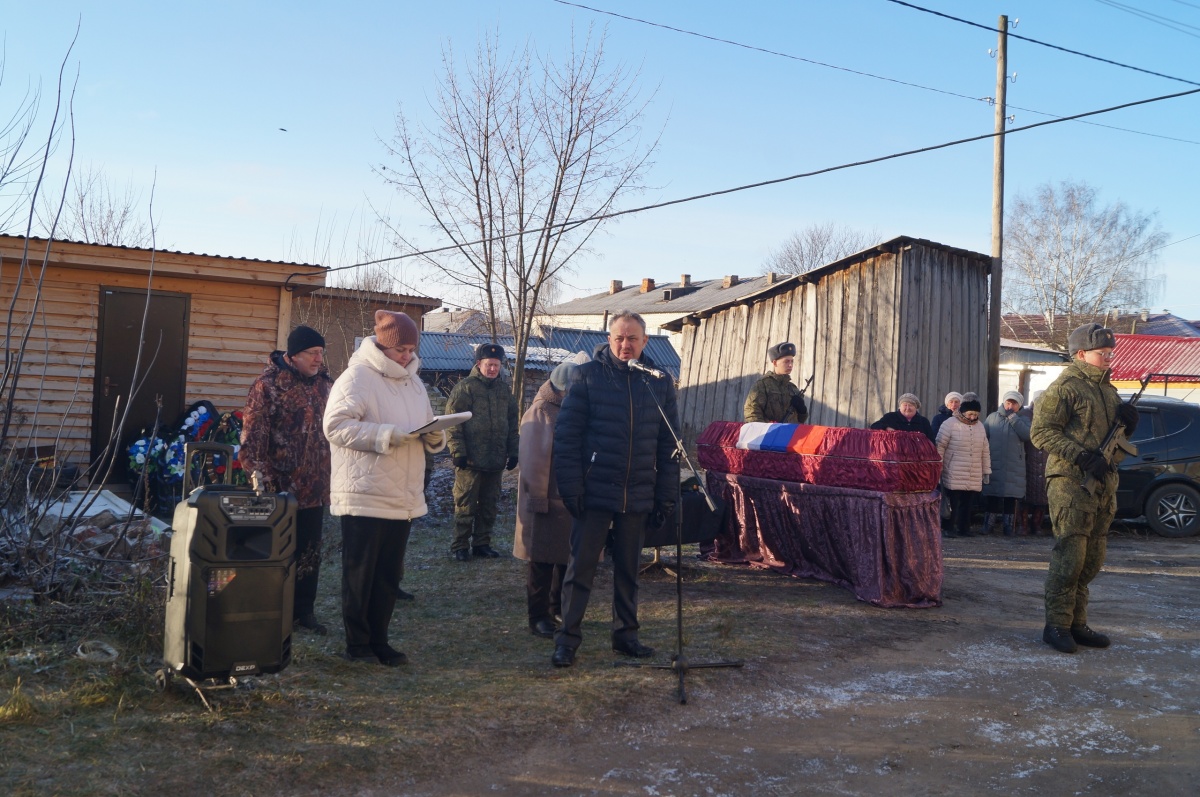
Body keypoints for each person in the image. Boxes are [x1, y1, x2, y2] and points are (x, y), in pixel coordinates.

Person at [550, 311, 680, 668]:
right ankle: (568, 640)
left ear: (645, 342)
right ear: (609, 339)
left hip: (637, 491)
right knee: (581, 570)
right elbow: (567, 438)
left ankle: (626, 636)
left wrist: (665, 494)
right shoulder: (587, 376)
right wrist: (572, 487)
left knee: (628, 570)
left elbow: (669, 444)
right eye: (619, 338)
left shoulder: (658, 382)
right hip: (594, 491)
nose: (625, 345)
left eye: (632, 339)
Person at [323, 310, 446, 665]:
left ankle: (380, 640)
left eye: (411, 349)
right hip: (364, 492)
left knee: (389, 574)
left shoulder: (414, 382)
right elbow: (335, 426)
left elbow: (422, 424)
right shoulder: (357, 377)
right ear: (382, 344)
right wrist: (385, 434)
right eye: (400, 349)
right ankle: (357, 645)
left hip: (402, 493)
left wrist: (433, 433)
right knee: (360, 574)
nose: (407, 356)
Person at [1030, 323, 1139, 654]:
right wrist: (1081, 455)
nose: (1109, 358)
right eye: (1102, 353)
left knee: (1092, 559)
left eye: (1110, 353)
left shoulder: (1108, 391)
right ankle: (1057, 626)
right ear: (1081, 354)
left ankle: (1077, 624)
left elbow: (1115, 442)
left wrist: (1128, 425)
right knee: (1070, 558)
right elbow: (1042, 432)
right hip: (1071, 482)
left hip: (1104, 484)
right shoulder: (1065, 388)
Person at [240, 324, 333, 635]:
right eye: (313, 353)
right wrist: (260, 479)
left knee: (310, 552)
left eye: (321, 352)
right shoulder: (267, 386)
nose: (319, 359)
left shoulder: (325, 385)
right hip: (279, 488)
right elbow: (252, 439)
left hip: (315, 486)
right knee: (276, 553)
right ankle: (270, 611)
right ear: (294, 356)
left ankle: (303, 612)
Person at [514, 354, 589, 638]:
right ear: (561, 387)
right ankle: (538, 616)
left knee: (564, 557)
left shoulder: (572, 409)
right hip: (545, 498)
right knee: (541, 561)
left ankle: (557, 607)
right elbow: (532, 460)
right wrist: (537, 498)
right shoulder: (541, 411)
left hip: (567, 496)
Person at [445, 343, 520, 561]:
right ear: (479, 364)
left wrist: (514, 452)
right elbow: (452, 422)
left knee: (489, 506)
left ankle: (482, 544)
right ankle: (460, 546)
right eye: (489, 365)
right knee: (465, 505)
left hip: (495, 459)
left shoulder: (504, 391)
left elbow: (512, 423)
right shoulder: (465, 388)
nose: (493, 369)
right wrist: (457, 451)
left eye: (496, 365)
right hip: (470, 460)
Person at [936, 397, 990, 537]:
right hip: (953, 468)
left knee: (968, 502)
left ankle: (964, 528)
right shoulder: (950, 424)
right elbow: (940, 446)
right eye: (970, 414)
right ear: (963, 412)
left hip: (973, 470)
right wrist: (938, 467)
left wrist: (986, 470)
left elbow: (985, 450)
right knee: (952, 502)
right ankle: (948, 528)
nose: (972, 417)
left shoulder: (980, 426)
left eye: (975, 414)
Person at [981, 390, 1032, 536]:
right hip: (994, 461)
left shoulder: (1023, 419)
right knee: (993, 495)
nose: (1010, 405)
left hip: (1014, 464)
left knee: (1011, 497)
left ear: (1019, 405)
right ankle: (988, 525)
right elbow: (984, 437)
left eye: (1014, 403)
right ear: (1003, 402)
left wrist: (1013, 418)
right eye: (1008, 402)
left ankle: (1008, 526)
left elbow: (1026, 435)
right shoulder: (992, 417)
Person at [743, 342, 808, 423]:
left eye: (792, 361)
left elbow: (801, 420)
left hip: (790, 434)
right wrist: (766, 431)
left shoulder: (793, 389)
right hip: (770, 433)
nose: (790, 365)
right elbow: (752, 413)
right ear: (775, 363)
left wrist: (802, 410)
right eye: (786, 361)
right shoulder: (762, 385)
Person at [1016, 392, 1050, 536]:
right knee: (1024, 495)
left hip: (1045, 459)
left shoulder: (1051, 416)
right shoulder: (1024, 415)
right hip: (1027, 459)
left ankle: (1036, 525)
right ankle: (1022, 525)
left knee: (1042, 496)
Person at [871, 393, 936, 443]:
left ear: (916, 408)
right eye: (905, 405)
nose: (907, 408)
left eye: (911, 405)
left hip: (916, 457)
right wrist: (886, 427)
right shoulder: (890, 417)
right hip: (895, 456)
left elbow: (931, 441)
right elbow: (874, 426)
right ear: (900, 406)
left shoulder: (923, 421)